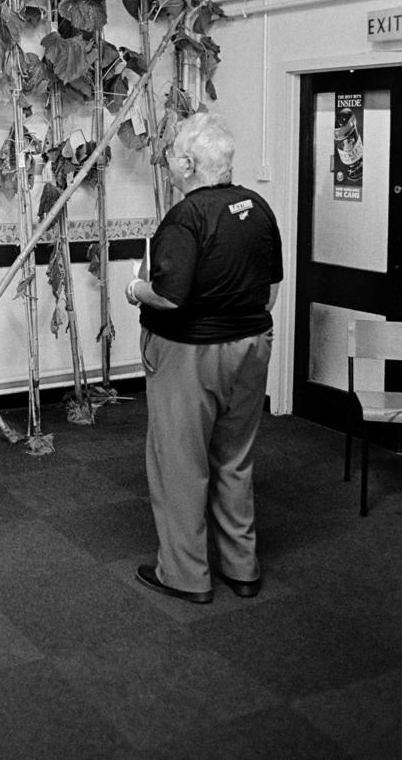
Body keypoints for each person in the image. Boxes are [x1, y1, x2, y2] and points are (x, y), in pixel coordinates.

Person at [126, 113, 283, 604]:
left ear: (189, 163)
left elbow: (170, 298)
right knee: (235, 459)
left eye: (173, 154)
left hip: (190, 355)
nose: (169, 161)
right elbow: (271, 289)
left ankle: (185, 575)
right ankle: (242, 568)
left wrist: (135, 289)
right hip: (252, 347)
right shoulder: (258, 208)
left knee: (180, 463)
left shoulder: (186, 217)